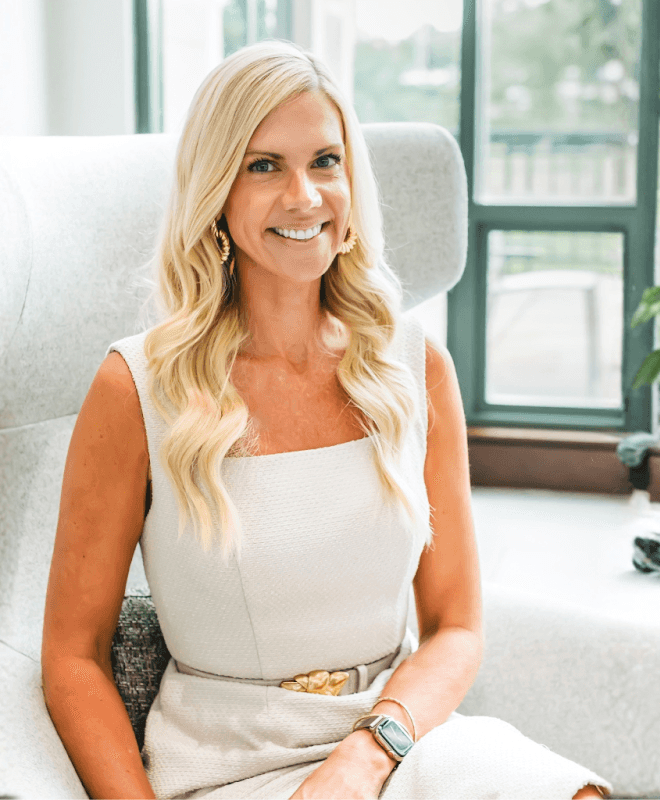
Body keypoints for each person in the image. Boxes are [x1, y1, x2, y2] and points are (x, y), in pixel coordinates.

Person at [39, 40, 613, 800]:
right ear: (216, 190)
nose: (306, 195)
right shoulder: (136, 388)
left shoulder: (414, 367)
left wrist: (367, 755)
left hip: (399, 745)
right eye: (264, 165)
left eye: (326, 161)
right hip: (233, 765)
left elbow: (456, 628)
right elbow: (73, 655)